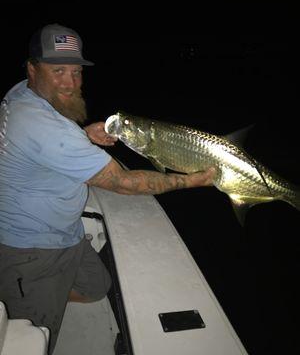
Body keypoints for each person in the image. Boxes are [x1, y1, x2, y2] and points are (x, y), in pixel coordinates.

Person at [0, 23, 215, 354]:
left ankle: (49, 292)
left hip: (64, 231)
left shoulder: (20, 94)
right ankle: (36, 298)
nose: (70, 83)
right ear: (32, 67)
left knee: (97, 288)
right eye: (58, 71)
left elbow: (43, 146)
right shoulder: (46, 127)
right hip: (32, 250)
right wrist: (192, 179)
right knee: (36, 336)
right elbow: (125, 183)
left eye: (76, 72)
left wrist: (83, 135)